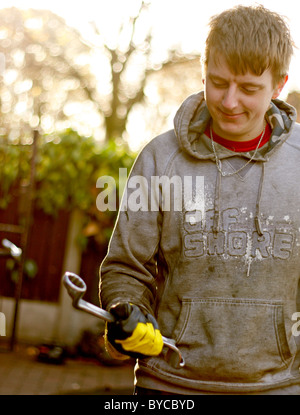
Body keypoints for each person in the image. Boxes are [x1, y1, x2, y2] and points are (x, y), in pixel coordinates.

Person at [99, 5, 300, 395]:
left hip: (279, 386)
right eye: (217, 82)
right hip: (170, 386)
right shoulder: (159, 159)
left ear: (278, 86)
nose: (228, 101)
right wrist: (128, 310)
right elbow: (126, 268)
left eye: (248, 88)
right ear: (203, 72)